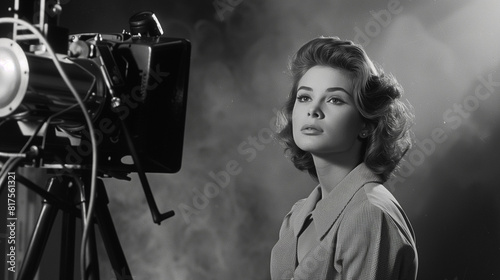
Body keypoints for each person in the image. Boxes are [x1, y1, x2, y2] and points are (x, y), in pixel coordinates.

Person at [270, 37, 418, 280]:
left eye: (334, 100)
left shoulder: (370, 214)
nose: (313, 110)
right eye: (304, 97)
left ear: (366, 124)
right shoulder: (296, 216)